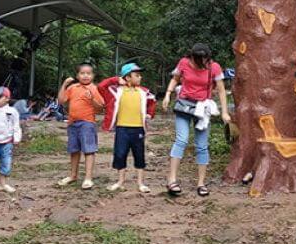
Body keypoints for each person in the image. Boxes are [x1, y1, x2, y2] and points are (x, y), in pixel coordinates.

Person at [162, 43, 230, 197]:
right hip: (184, 105)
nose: (200, 63)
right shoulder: (184, 63)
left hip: (202, 109)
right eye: (197, 60)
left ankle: (201, 183)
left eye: (203, 60)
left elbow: (221, 91)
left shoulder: (214, 68)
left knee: (202, 145)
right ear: (191, 56)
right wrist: (168, 94)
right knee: (181, 140)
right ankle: (171, 180)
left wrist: (224, 112)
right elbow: (175, 79)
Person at [97, 62, 157, 193]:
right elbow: (101, 87)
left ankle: (140, 183)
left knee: (139, 155)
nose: (140, 77)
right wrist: (115, 79)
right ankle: (120, 181)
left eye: (140, 75)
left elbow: (152, 101)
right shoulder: (115, 91)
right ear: (127, 77)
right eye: (137, 75)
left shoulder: (143, 92)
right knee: (120, 154)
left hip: (138, 129)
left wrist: (149, 114)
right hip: (122, 129)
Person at [57, 62, 105, 189]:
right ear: (77, 75)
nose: (85, 76)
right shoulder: (72, 88)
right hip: (73, 123)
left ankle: (88, 178)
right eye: (82, 73)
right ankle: (73, 176)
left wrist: (92, 99)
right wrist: (65, 84)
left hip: (87, 123)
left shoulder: (94, 88)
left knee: (89, 150)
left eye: (88, 73)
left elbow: (101, 107)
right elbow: (61, 101)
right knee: (74, 150)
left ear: (93, 75)